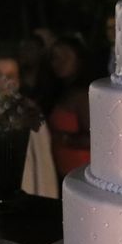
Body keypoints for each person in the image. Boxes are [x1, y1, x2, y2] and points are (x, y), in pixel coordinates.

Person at [0, 52, 59, 199]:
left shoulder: (29, 113)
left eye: (10, 75)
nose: (4, 80)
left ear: (18, 81)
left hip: (22, 187)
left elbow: (43, 165)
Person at [47, 36, 91, 180]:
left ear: (79, 59)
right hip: (60, 170)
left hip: (79, 174)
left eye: (65, 56)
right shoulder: (58, 91)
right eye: (55, 58)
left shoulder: (83, 96)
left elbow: (95, 139)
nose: (59, 62)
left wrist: (64, 139)